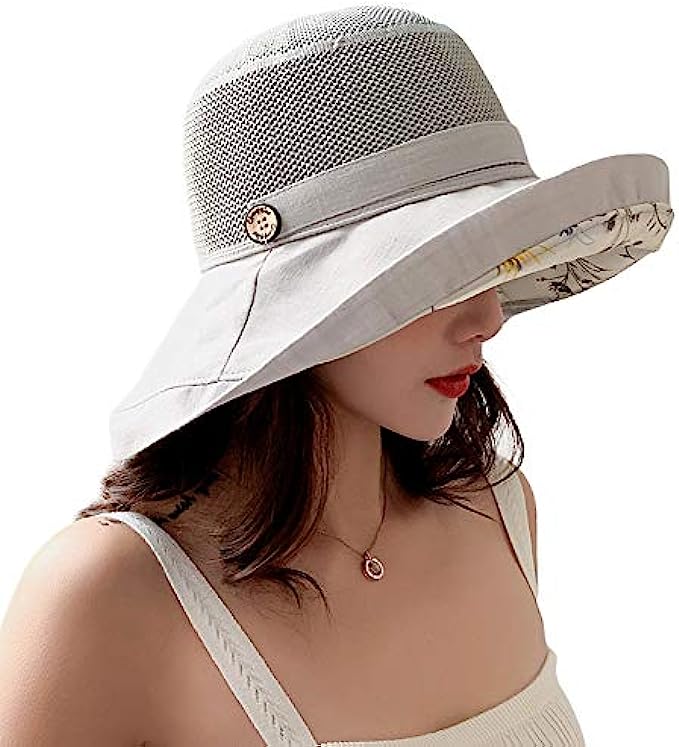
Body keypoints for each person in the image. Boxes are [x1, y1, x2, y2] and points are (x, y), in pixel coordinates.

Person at [0, 5, 673, 745]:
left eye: (488, 265)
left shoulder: (499, 507)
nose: (489, 316)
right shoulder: (112, 592)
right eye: (435, 274)